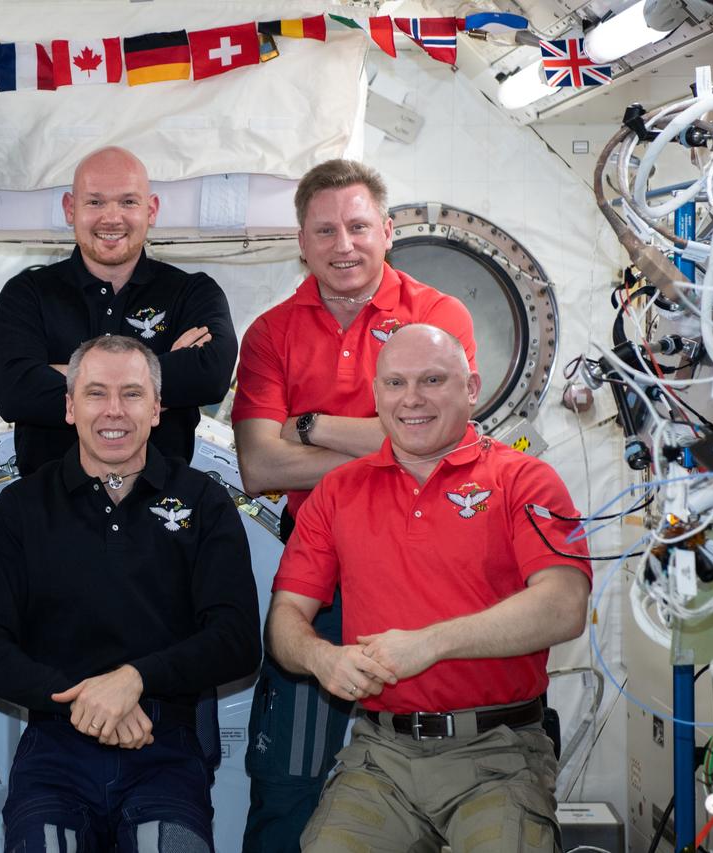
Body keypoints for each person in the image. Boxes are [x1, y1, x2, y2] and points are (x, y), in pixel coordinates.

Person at [231, 159, 478, 852]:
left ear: (388, 231)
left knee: (435, 768)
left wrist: (309, 424)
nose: (345, 243)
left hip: (425, 564)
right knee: (289, 777)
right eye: (326, 229)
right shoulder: (271, 332)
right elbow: (258, 464)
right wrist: (391, 441)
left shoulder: (438, 316)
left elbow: (442, 433)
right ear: (301, 243)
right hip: (318, 566)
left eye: (360, 225)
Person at [266, 324, 590, 853]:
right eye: (394, 384)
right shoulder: (337, 492)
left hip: (499, 756)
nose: (411, 399)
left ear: (471, 388)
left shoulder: (526, 480)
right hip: (380, 755)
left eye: (432, 380)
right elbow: (285, 619)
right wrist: (321, 659)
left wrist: (428, 643)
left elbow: (564, 605)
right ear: (376, 396)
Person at [0, 335, 261, 852]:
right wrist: (87, 699)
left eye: (132, 394)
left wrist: (134, 680)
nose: (114, 411)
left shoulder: (203, 500)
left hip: (166, 748)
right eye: (96, 394)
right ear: (70, 407)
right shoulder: (21, 507)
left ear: (158, 408)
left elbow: (237, 640)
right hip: (55, 748)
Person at [0, 146, 237, 476]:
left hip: (162, 513)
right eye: (95, 201)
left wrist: (69, 376)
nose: (111, 217)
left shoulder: (192, 292)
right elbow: (14, 393)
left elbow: (210, 374)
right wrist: (158, 378)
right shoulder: (27, 294)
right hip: (49, 514)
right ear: (69, 209)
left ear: (151, 210)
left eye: (128, 202)